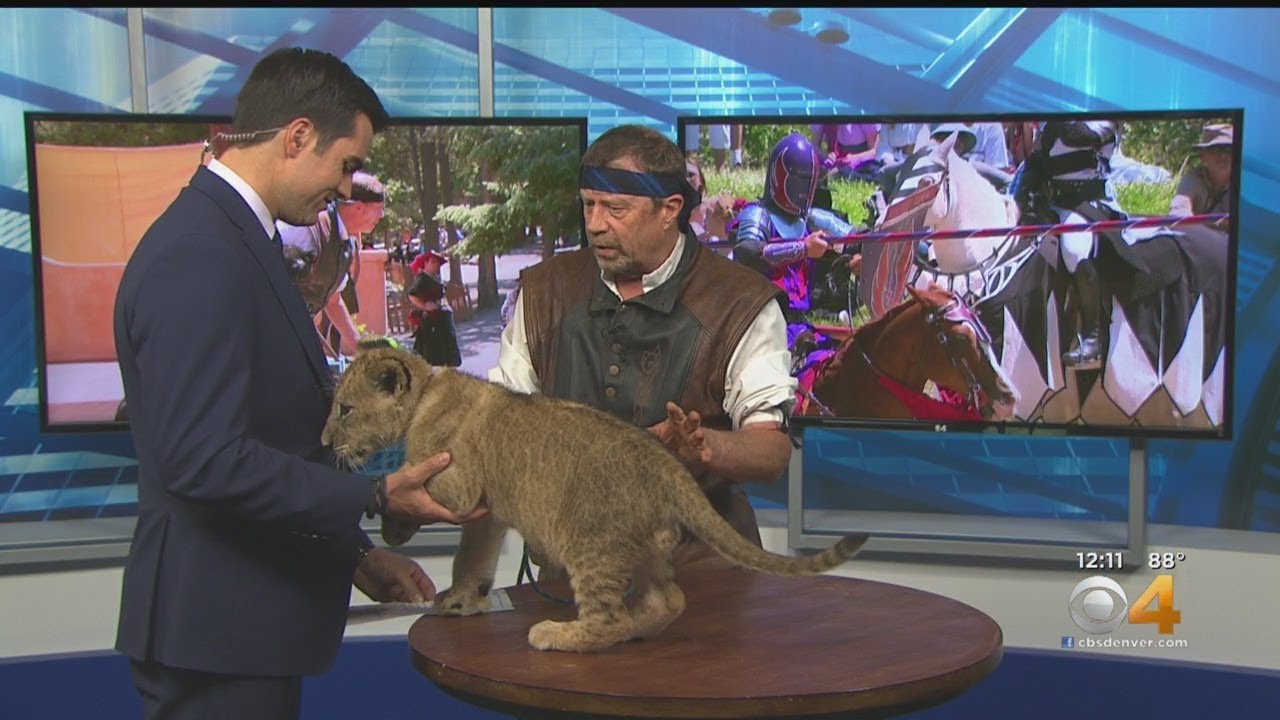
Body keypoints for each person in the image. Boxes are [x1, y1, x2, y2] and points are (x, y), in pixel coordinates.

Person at [112, 47, 487, 720]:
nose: (347, 189)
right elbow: (205, 458)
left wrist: (355, 556)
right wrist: (371, 492)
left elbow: (274, 439)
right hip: (216, 633)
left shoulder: (235, 240)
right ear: (298, 136)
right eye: (347, 165)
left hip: (241, 630)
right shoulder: (200, 252)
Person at [489, 124, 797, 566]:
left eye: (615, 208)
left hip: (702, 574)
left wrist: (704, 446)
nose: (595, 225)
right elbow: (503, 422)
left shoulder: (738, 302)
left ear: (669, 209)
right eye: (588, 205)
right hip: (572, 570)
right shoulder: (545, 292)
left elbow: (771, 451)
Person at [729, 133, 858, 385]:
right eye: (800, 180)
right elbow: (747, 251)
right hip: (761, 325)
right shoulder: (757, 214)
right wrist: (802, 249)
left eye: (810, 181)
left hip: (798, 326)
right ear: (780, 177)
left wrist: (860, 256)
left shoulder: (812, 219)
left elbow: (856, 239)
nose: (806, 189)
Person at [1013, 119, 1127, 365]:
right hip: (1055, 205)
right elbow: (1035, 166)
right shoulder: (1051, 127)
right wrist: (1020, 203)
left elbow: (1078, 135)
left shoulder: (1104, 122)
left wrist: (1053, 121)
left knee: (1074, 251)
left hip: (1089, 205)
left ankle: (1092, 336)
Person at [277, 171, 383, 357]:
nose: (381, 215)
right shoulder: (307, 227)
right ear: (359, 208)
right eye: (379, 208)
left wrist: (361, 349)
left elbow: (332, 300)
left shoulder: (345, 242)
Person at [406, 249, 462, 367]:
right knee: (433, 352)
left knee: (444, 347)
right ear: (426, 263)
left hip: (441, 318)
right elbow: (411, 294)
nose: (436, 265)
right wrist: (424, 306)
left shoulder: (434, 278)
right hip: (432, 321)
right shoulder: (422, 278)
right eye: (433, 262)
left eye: (437, 263)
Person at [1169, 123, 1234, 218]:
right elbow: (1178, 213)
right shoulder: (1193, 180)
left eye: (1228, 150)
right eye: (1215, 150)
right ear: (1202, 156)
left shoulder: (1246, 184)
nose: (1222, 156)